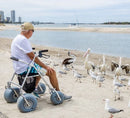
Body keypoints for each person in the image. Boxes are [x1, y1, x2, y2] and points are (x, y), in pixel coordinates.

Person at [11, 22, 72, 100]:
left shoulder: (17, 38)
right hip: (25, 68)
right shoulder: (24, 40)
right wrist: (46, 67)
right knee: (51, 72)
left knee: (41, 69)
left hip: (18, 67)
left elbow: (27, 53)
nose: (32, 34)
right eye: (33, 31)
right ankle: (59, 93)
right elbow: (33, 58)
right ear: (30, 31)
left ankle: (34, 89)